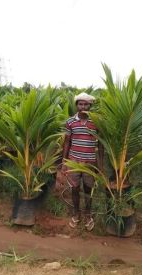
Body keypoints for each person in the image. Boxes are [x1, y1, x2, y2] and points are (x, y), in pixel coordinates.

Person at [62, 92, 104, 231]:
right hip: (74, 161)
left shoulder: (96, 122)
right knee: (75, 189)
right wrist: (64, 161)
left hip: (89, 162)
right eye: (80, 103)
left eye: (86, 104)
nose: (83, 106)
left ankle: (88, 215)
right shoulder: (70, 122)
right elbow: (67, 142)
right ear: (76, 105)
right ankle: (76, 214)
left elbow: (101, 145)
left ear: (90, 105)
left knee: (88, 189)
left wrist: (101, 165)